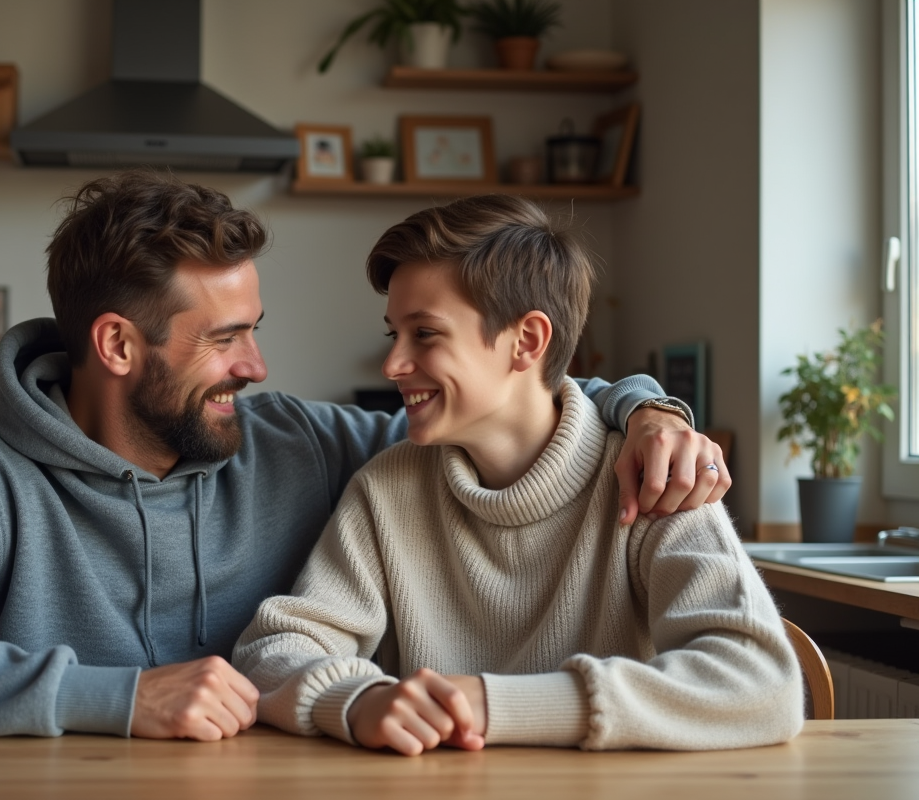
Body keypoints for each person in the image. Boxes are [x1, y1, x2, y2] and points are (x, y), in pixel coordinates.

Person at [0, 171, 731, 741]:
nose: (257, 366)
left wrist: (645, 411)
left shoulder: (296, 441)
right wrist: (118, 698)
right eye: (224, 339)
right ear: (117, 346)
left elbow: (500, 415)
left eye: (255, 328)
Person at [233, 195, 801, 754]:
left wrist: (489, 705)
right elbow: (274, 651)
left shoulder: (653, 476)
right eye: (393, 334)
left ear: (526, 341)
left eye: (424, 333)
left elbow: (761, 684)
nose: (393, 365)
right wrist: (358, 699)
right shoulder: (387, 489)